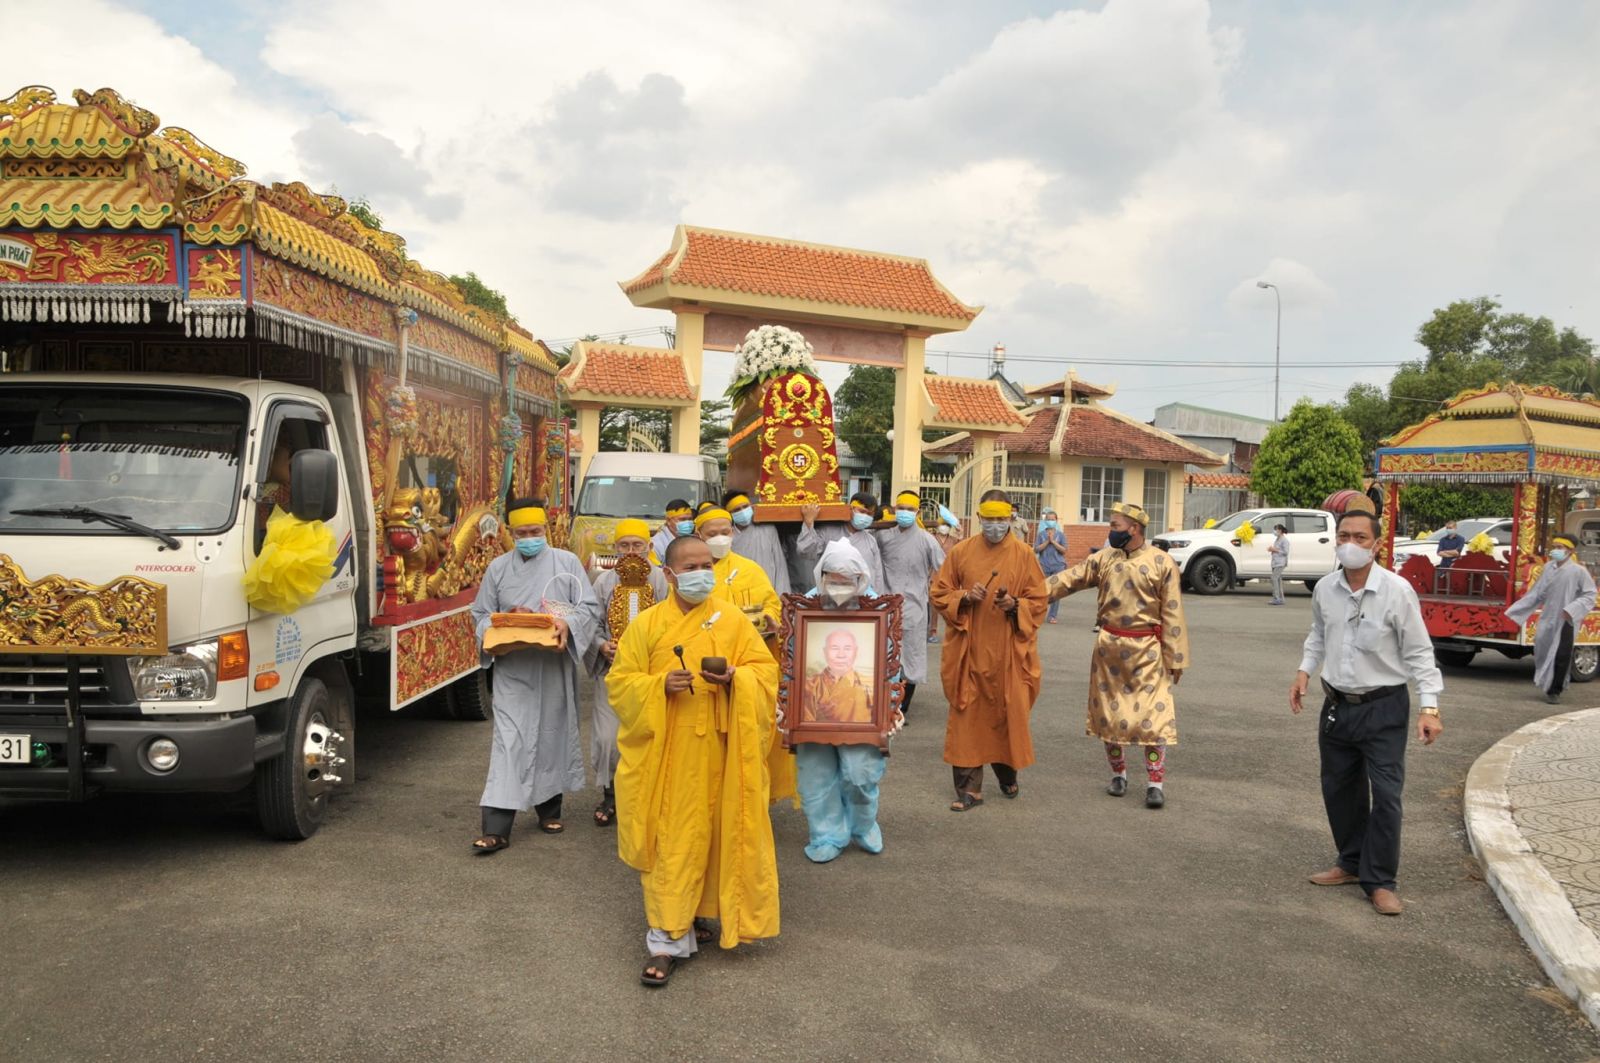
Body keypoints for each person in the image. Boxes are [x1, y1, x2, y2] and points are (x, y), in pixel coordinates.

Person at [609, 535, 780, 986]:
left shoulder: (732, 621)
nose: (701, 573)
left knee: (720, 834)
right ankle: (665, 940)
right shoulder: (646, 625)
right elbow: (620, 684)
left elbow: (765, 674)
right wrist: (659, 686)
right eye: (690, 567)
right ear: (669, 574)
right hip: (669, 753)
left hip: (722, 749)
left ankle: (700, 915)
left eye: (707, 564)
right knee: (673, 841)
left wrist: (733, 680)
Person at [1289, 504, 1444, 917]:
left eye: (1360, 538)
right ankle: (1351, 862)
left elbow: (1419, 653)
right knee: (1339, 789)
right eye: (1344, 537)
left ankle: (1381, 880)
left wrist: (1430, 707)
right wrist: (1305, 672)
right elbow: (1318, 635)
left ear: (1377, 545)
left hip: (1384, 708)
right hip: (1338, 705)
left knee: (1387, 796)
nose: (1351, 545)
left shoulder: (1397, 591)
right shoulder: (1325, 589)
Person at [470, 500, 601, 853]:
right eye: (522, 534)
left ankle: (549, 810)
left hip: (553, 667)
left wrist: (565, 624)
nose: (529, 538)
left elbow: (588, 608)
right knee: (509, 742)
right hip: (514, 668)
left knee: (551, 734)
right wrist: (507, 618)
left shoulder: (567, 563)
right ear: (511, 535)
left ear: (546, 530)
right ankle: (497, 826)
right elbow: (480, 613)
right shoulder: (497, 568)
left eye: (535, 532)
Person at [1048, 501, 1188, 809]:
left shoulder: (1161, 562)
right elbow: (1070, 579)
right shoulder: (1103, 559)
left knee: (1153, 720)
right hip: (1109, 650)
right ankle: (1119, 775)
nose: (1110, 531)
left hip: (1148, 653)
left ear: (1133, 529)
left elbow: (1173, 613)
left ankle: (1155, 783)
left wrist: (1175, 659)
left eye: (1114, 526)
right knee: (1109, 718)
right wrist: (1033, 592)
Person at [928, 489, 1048, 811]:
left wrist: (1014, 605)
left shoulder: (1024, 555)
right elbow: (939, 592)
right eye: (989, 519)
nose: (995, 525)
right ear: (978, 518)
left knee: (1007, 715)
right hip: (970, 652)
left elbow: (1039, 602)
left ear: (1010, 517)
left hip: (1009, 653)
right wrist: (964, 597)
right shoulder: (961, 552)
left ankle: (1007, 773)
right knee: (968, 718)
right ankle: (968, 790)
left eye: (1001, 519)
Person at [792, 540, 894, 861]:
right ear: (821, 576)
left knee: (861, 773)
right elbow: (793, 657)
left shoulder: (877, 607)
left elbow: (889, 658)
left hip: (863, 710)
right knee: (816, 776)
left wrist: (890, 706)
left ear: (861, 578)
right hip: (811, 709)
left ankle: (863, 825)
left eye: (846, 581)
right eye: (832, 580)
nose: (839, 587)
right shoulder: (802, 606)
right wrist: (790, 702)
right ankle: (826, 835)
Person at [697, 506, 794, 805]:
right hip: (704, 667)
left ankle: (750, 803)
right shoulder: (694, 571)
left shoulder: (750, 569)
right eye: (712, 534)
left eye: (725, 532)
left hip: (747, 668)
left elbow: (771, 604)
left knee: (750, 739)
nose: (720, 539)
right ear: (699, 535)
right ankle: (710, 801)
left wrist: (769, 617)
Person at [585, 518, 669, 827]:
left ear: (649, 547)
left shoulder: (661, 580)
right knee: (608, 738)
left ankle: (648, 799)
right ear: (615, 549)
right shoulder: (604, 582)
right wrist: (601, 645)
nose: (631, 551)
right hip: (612, 673)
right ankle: (611, 797)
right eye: (624, 546)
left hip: (652, 677)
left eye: (637, 545)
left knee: (650, 736)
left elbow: (672, 623)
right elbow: (590, 623)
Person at [1505, 534, 1597, 704]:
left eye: (1560, 548)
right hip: (1548, 616)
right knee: (1543, 649)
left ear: (1570, 551)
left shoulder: (1578, 571)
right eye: (1554, 547)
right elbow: (1537, 592)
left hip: (1566, 619)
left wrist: (1572, 609)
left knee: (1561, 653)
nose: (1555, 550)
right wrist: (1515, 610)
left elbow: (1590, 594)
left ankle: (1555, 689)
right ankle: (1546, 682)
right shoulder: (1548, 567)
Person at [876, 490, 943, 718]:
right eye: (901, 508)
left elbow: (945, 569)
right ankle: (884, 702)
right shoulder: (883, 537)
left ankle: (903, 707)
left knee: (911, 657)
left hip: (914, 607)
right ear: (894, 509)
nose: (905, 512)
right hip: (884, 606)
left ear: (917, 512)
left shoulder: (927, 540)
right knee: (884, 654)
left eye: (910, 509)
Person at [797, 492, 886, 593]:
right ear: (850, 509)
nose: (865, 516)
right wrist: (809, 522)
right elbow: (806, 552)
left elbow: (877, 575)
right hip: (829, 595)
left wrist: (878, 601)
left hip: (862, 598)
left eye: (869, 514)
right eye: (862, 511)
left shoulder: (871, 541)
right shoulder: (828, 531)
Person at [724, 490, 791, 596]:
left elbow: (779, 563)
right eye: (737, 510)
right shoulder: (728, 536)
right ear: (730, 514)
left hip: (768, 591)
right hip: (740, 594)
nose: (743, 512)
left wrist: (783, 594)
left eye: (745, 507)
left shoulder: (768, 528)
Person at [1033, 507, 1069, 623]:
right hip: (1044, 565)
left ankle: (1052, 615)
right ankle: (1040, 612)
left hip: (1058, 565)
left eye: (1052, 519)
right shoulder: (1041, 535)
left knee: (1055, 592)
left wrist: (1053, 541)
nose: (1050, 521)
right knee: (1042, 591)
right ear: (1045, 521)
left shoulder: (1061, 535)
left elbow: (1064, 550)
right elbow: (1036, 549)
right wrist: (1047, 541)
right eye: (1048, 519)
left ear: (1056, 520)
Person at [650, 499, 695, 564]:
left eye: (690, 519)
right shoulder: (657, 545)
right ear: (668, 521)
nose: (687, 523)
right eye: (682, 519)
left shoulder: (694, 540)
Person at [1268, 523, 1290, 605]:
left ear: (1280, 530)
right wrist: (1272, 550)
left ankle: (1276, 598)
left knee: (1274, 578)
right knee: (1278, 580)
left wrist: (1275, 550)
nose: (1274, 531)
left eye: (1276, 529)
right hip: (1275, 562)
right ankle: (1280, 598)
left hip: (1280, 563)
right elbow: (1276, 549)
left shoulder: (1284, 540)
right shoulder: (1277, 539)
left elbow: (1286, 552)